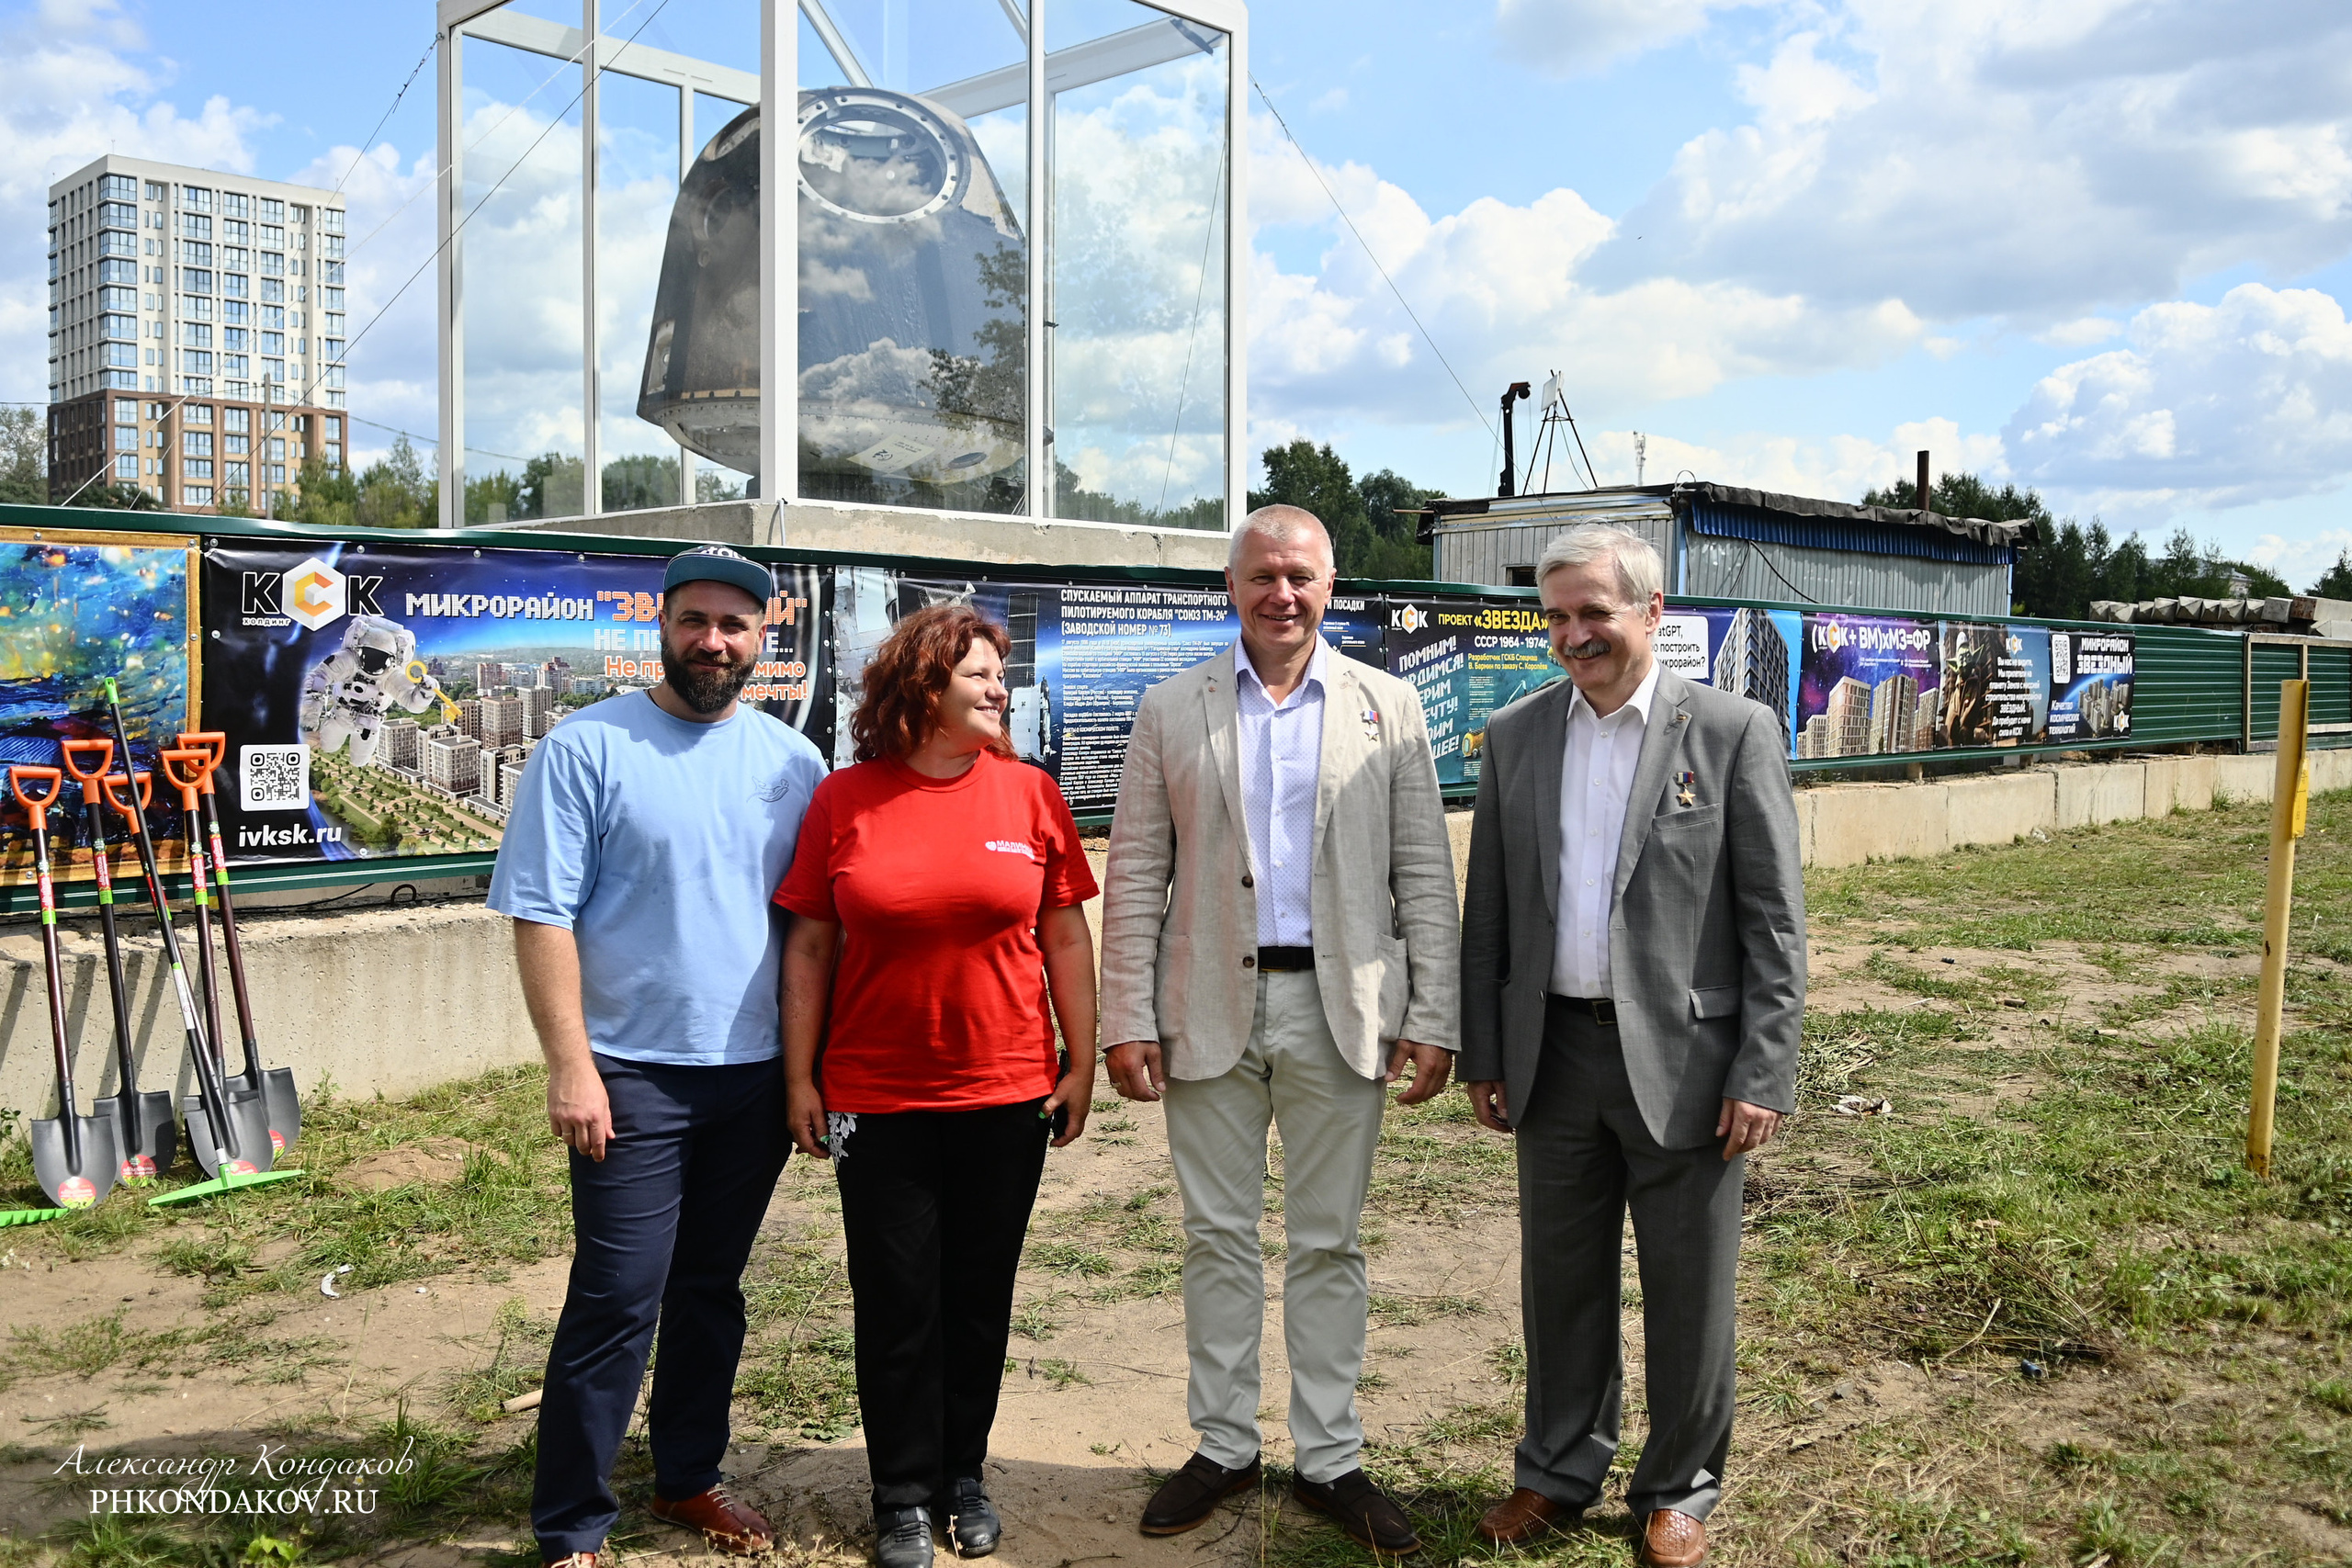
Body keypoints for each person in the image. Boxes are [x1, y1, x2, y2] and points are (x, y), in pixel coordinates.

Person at [1099, 506, 1459, 1554]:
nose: (1281, 594)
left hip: (1341, 1009)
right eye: (1261, 576)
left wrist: (1430, 1012)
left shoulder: (1387, 708)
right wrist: (1127, 1016)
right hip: (1204, 1007)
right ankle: (1222, 1445)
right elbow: (1135, 879)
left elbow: (1423, 876)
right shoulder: (1173, 708)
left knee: (1327, 1242)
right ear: (1231, 587)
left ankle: (1331, 1458)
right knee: (1215, 1237)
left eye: (1300, 576)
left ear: (1331, 586)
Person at [1458, 524, 1805, 1568]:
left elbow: (1773, 922)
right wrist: (1487, 1051)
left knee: (1690, 1287)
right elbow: (1493, 912)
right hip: (1553, 1055)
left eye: (1594, 613)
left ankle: (1680, 1488)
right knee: (1558, 1281)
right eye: (1556, 616)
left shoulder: (1732, 731)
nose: (1573, 634)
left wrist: (1763, 1068)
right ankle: (1558, 1469)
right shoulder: (1517, 736)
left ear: (1652, 613)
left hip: (1690, 1065)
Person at [490, 543, 829, 1568]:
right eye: (694, 621)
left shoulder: (792, 763)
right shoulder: (587, 749)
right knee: (617, 1293)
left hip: (753, 1078)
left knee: (710, 1289)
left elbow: (812, 931)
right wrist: (571, 1065)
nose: (712, 641)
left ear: (764, 639)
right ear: (662, 627)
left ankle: (687, 1478)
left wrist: (809, 1071)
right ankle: (573, 1525)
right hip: (630, 1076)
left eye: (734, 625)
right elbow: (541, 916)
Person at [775, 603, 1099, 1568]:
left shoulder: (1031, 796)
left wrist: (1081, 1061)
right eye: (981, 674)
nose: (1001, 689)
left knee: (976, 1297)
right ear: (922, 687)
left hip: (1005, 1093)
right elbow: (810, 944)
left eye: (1002, 674)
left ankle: (964, 1476)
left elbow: (1065, 937)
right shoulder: (844, 800)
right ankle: (902, 1497)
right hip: (876, 1099)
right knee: (896, 1300)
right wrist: (800, 1075)